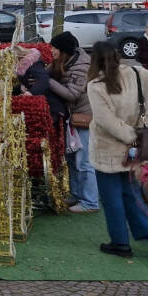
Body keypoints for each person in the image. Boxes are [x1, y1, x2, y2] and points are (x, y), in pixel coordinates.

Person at [86, 41, 148, 259]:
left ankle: (120, 242)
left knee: (113, 198)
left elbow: (105, 120)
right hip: (136, 147)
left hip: (108, 149)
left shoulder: (96, 85)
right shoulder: (138, 73)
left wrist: (130, 135)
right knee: (130, 191)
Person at [47, 32, 99, 214]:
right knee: (71, 158)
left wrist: (48, 82)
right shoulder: (65, 62)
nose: (51, 50)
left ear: (63, 51)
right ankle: (77, 195)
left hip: (84, 118)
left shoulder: (82, 66)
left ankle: (90, 201)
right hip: (72, 118)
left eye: (54, 48)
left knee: (84, 161)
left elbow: (72, 94)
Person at [13, 45, 65, 121]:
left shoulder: (32, 65)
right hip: (46, 106)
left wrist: (30, 92)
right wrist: (20, 88)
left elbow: (43, 81)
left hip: (51, 107)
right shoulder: (25, 66)